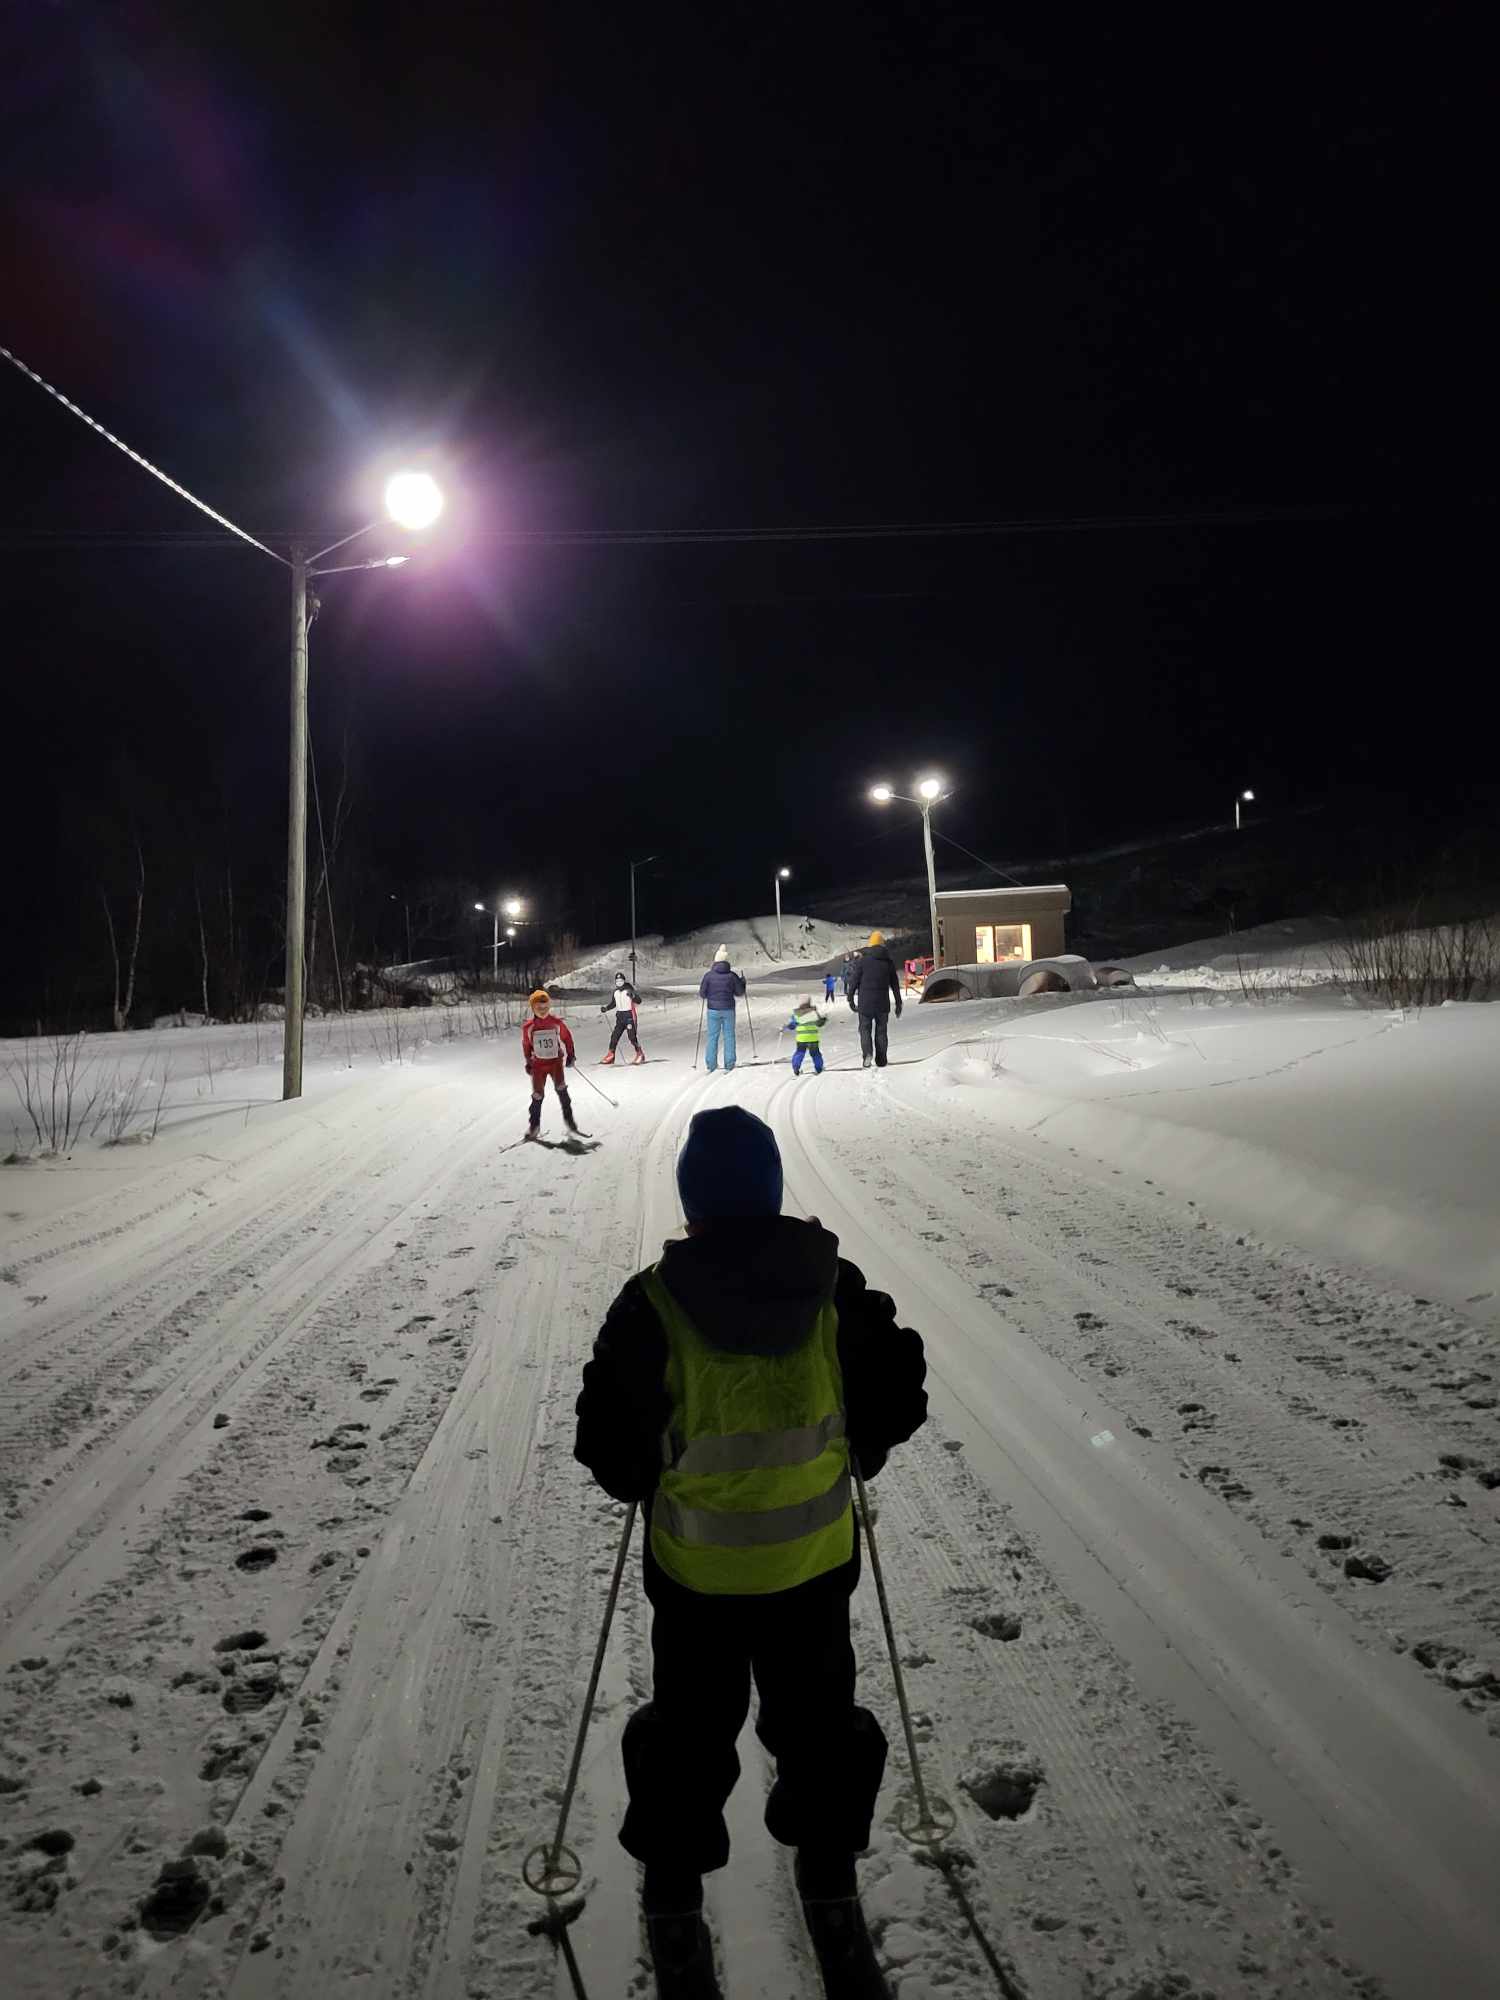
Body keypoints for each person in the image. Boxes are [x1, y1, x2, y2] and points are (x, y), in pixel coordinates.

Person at [574, 1107, 926, 1999]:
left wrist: (643, 1467)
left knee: (689, 1737)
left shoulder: (652, 1302)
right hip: (811, 1573)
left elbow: (607, 1446)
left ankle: (674, 1906)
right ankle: (831, 1887)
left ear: (692, 1205)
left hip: (697, 1585)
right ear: (773, 1194)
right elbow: (897, 1393)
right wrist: (862, 1445)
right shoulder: (831, 1285)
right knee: (818, 1730)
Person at [520, 988, 578, 1140]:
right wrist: (528, 1061)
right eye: (539, 1007)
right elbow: (526, 1045)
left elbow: (567, 1038)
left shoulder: (556, 1023)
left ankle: (570, 1120)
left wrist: (571, 1055)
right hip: (538, 1065)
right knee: (537, 1096)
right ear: (533, 1007)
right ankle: (534, 1127)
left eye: (545, 1007)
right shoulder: (528, 1027)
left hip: (555, 1063)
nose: (542, 1010)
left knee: (561, 1090)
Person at [847, 931, 902, 1069]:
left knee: (865, 1029)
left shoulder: (862, 961)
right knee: (881, 1031)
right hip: (882, 1004)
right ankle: (882, 1059)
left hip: (865, 1004)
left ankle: (867, 1054)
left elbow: (853, 981)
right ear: (882, 945)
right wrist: (898, 1003)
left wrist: (850, 998)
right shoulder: (888, 963)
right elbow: (895, 984)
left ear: (870, 946)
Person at [698, 945, 746, 1073]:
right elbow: (739, 992)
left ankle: (711, 1064)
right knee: (729, 1036)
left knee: (712, 1036)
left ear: (715, 961)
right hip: (728, 1010)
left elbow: (702, 994)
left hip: (712, 1010)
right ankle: (729, 1063)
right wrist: (742, 983)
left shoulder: (708, 976)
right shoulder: (732, 976)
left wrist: (709, 994)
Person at [600, 972, 646, 1064]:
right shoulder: (616, 992)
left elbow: (639, 1000)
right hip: (620, 1017)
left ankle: (640, 1053)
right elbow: (613, 1003)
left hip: (629, 1016)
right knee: (614, 1036)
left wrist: (633, 996)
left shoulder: (628, 990)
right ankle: (611, 1055)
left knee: (632, 1037)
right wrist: (606, 1008)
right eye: (617, 981)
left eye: (621, 980)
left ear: (624, 981)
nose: (619, 982)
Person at [781, 997, 826, 1075]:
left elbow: (792, 1025)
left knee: (799, 1053)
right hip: (813, 1038)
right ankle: (818, 1068)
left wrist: (785, 1027)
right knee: (815, 1053)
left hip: (801, 1039)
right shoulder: (813, 1013)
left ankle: (796, 1067)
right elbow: (819, 1023)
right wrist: (824, 1019)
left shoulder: (796, 1015)